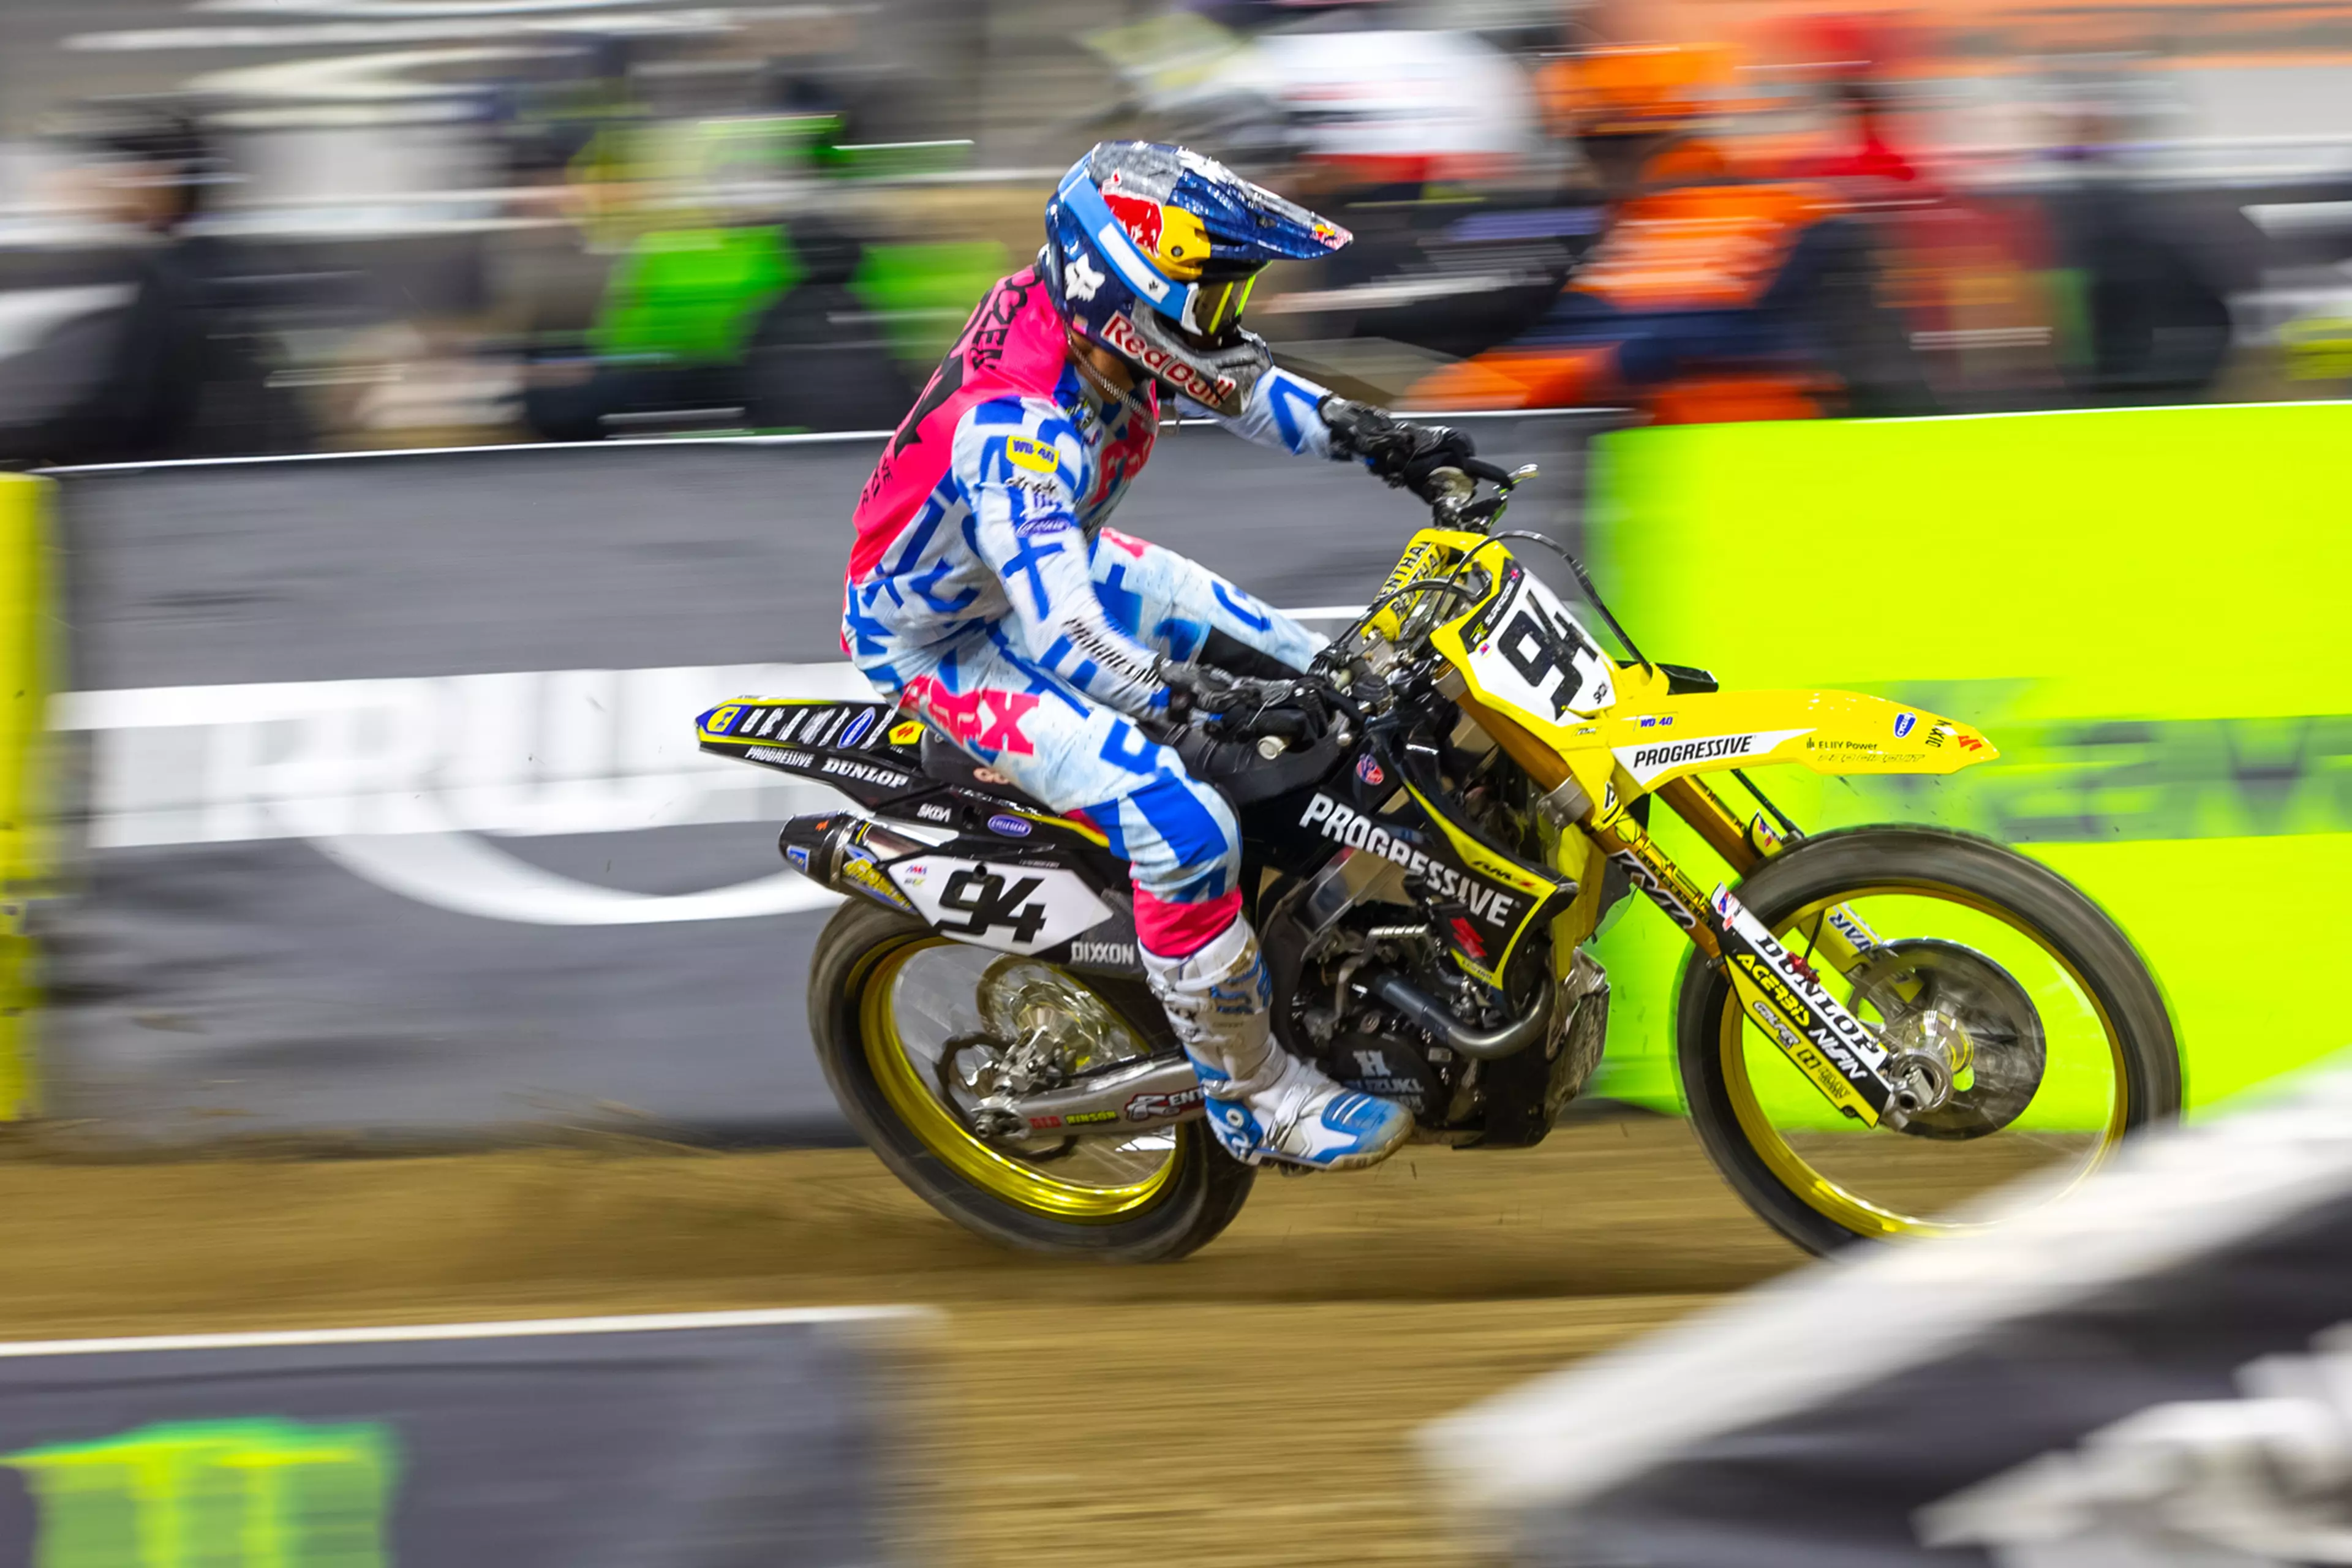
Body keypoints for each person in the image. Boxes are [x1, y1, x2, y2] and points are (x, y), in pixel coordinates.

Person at [842, 140, 1486, 1172]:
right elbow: (1066, 639)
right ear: (1128, 285)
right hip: (950, 638)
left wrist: (1387, 442)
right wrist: (1191, 702)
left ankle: (1321, 944)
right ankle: (1253, 1096)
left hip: (1052, 562)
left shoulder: (1106, 324)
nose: (1225, 320)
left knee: (1323, 677)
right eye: (1212, 293)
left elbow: (1243, 388)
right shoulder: (1017, 431)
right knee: (1178, 822)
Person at [1411, 44, 1915, 423]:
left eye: (1591, 147)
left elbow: (1635, 341)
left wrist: (1445, 411)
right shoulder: (1655, 214)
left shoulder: (1723, 210)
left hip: (1753, 462)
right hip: (1726, 454)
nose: (1585, 168)